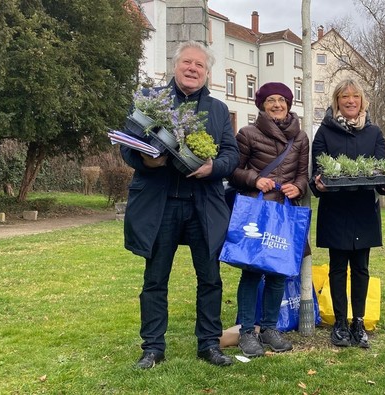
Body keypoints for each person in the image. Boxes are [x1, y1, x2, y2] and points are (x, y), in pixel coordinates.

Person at [121, 41, 239, 369]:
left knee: (210, 278)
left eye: (199, 65)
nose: (192, 69)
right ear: (175, 66)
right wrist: (148, 160)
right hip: (162, 205)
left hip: (203, 204)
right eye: (187, 63)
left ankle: (208, 344)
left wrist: (212, 167)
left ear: (207, 73)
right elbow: (127, 147)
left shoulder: (217, 110)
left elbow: (232, 154)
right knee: (155, 279)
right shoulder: (150, 101)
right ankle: (153, 348)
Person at [310, 79, 385, 348]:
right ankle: (339, 323)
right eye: (344, 96)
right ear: (336, 101)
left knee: (361, 268)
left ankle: (358, 322)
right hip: (335, 211)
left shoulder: (374, 133)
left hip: (363, 211)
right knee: (337, 269)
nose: (350, 101)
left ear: (362, 101)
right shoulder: (324, 133)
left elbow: (383, 173)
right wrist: (319, 184)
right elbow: (316, 175)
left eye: (355, 97)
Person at [229, 82, 310, 357]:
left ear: (289, 104)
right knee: (252, 272)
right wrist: (255, 179)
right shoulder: (247, 134)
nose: (277, 105)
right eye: (271, 100)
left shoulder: (300, 138)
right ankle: (247, 332)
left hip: (284, 215)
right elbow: (233, 171)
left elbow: (302, 175)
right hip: (258, 212)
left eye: (282, 100)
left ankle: (270, 329)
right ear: (262, 105)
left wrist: (298, 187)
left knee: (278, 273)